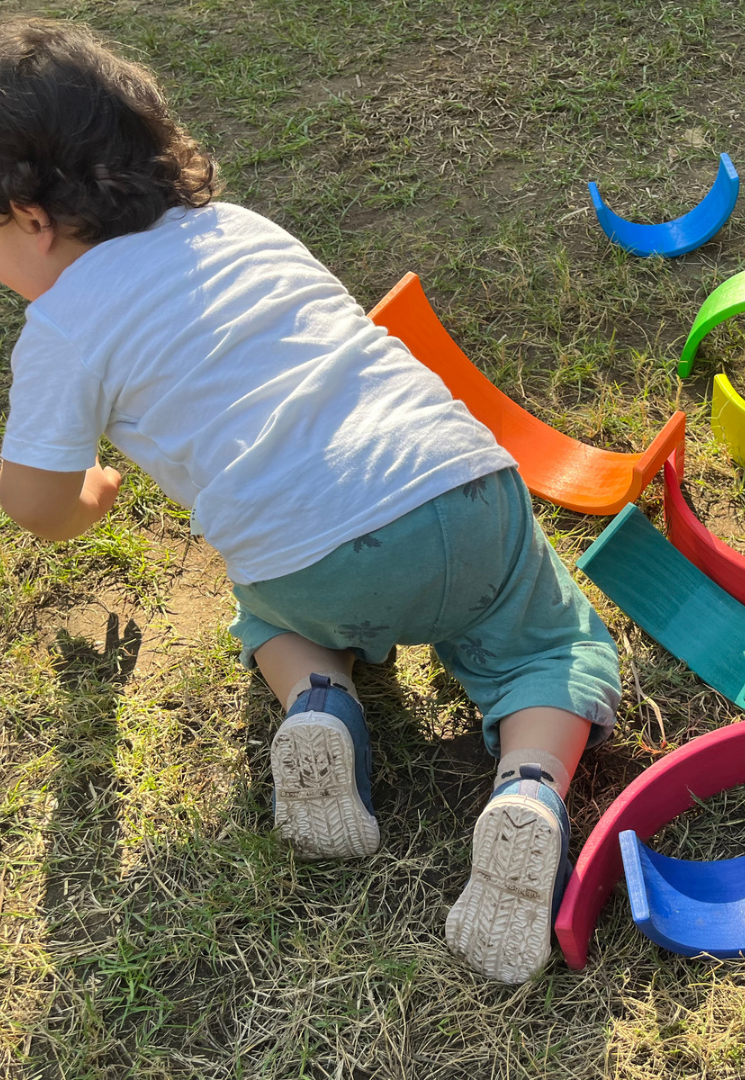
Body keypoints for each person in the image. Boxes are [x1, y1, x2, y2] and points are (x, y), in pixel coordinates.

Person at [0, 18, 621, 985]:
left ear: (30, 218)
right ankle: (531, 791)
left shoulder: (62, 329)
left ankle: (318, 703)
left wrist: (92, 495)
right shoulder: (239, 229)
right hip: (460, 485)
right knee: (545, 640)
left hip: (307, 563)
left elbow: (34, 503)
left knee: (268, 617)